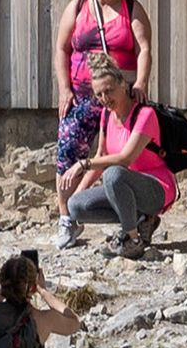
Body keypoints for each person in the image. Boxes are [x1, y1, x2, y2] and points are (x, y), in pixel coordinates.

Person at [50, 0, 149, 215]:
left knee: (114, 153)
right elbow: (61, 49)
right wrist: (64, 88)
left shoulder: (132, 8)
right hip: (81, 97)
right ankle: (65, 216)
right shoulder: (78, 6)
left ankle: (115, 209)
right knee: (67, 151)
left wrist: (140, 82)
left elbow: (144, 49)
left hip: (119, 96)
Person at [59, 55, 176, 251]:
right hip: (124, 187)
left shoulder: (144, 114)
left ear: (123, 84)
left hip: (156, 188)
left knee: (113, 174)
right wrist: (77, 195)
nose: (105, 99)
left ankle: (132, 239)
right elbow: (101, 157)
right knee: (76, 206)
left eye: (109, 91)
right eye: (99, 94)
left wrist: (82, 164)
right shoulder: (106, 115)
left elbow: (125, 159)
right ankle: (142, 220)